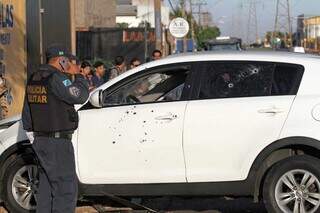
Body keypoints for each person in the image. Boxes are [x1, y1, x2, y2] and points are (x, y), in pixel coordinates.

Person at [22, 44, 89, 213]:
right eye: (69, 61)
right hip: (57, 143)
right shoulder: (57, 78)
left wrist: (35, 138)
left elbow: (27, 113)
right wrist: (80, 77)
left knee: (46, 188)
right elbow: (80, 95)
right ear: (62, 60)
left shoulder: (34, 78)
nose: (71, 64)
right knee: (65, 190)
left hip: (41, 141)